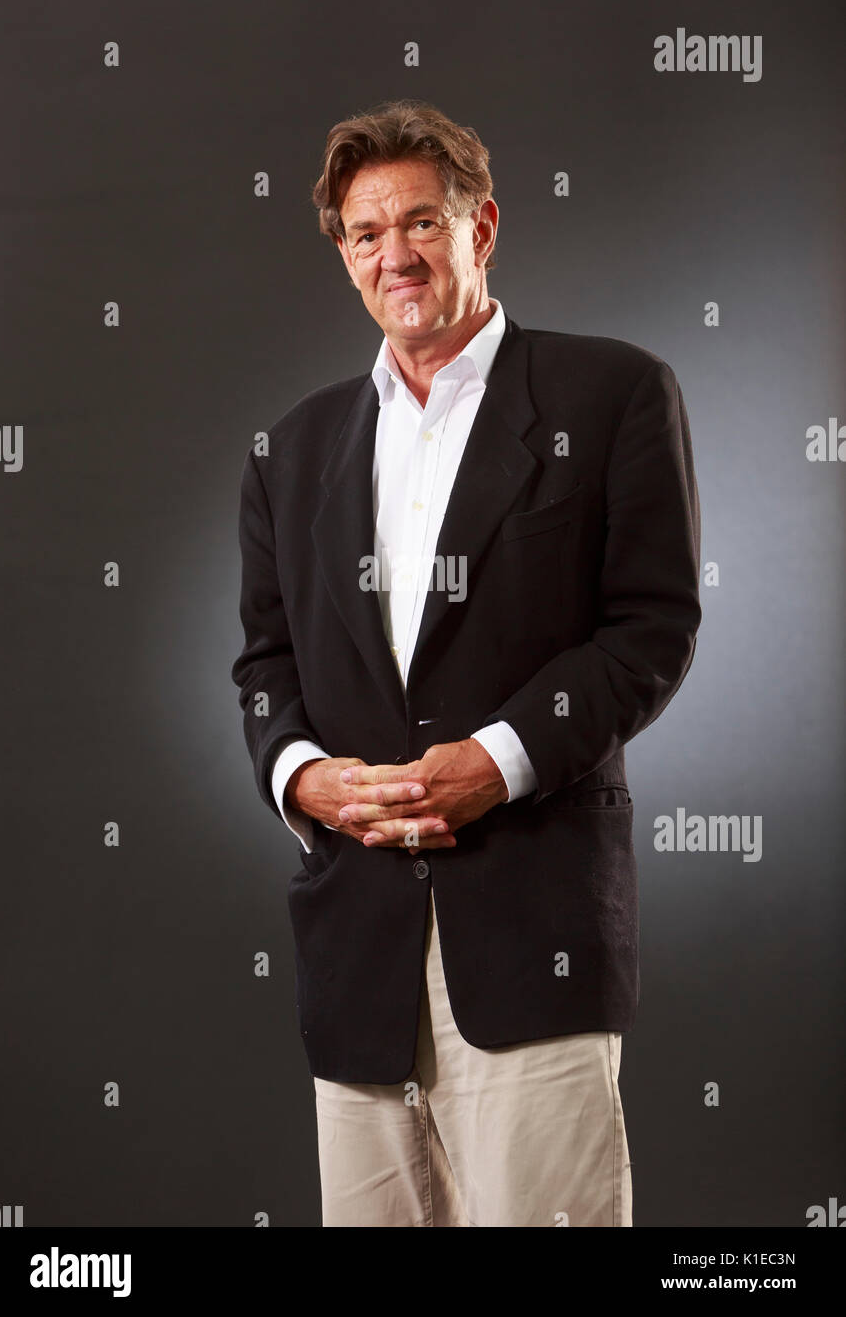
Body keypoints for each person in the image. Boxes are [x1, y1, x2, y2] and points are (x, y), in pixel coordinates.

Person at [231, 98, 702, 1227]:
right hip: (357, 962)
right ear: (344, 255)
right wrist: (302, 775)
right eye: (364, 233)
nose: (393, 253)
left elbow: (650, 627)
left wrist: (495, 759)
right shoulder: (291, 449)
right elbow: (264, 662)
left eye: (421, 223)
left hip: (533, 939)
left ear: (481, 225)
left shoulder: (613, 393)